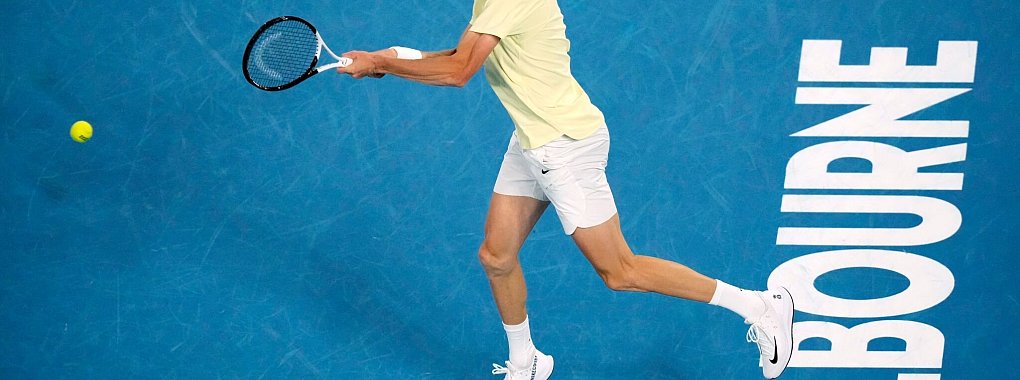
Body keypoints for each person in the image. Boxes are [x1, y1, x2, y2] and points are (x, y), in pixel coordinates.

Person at [336, 0, 794, 378]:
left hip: (565, 147)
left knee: (620, 271)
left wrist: (382, 63)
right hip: (532, 140)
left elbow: (459, 71)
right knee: (496, 256)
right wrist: (391, 58)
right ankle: (526, 363)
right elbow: (462, 53)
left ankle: (759, 307)